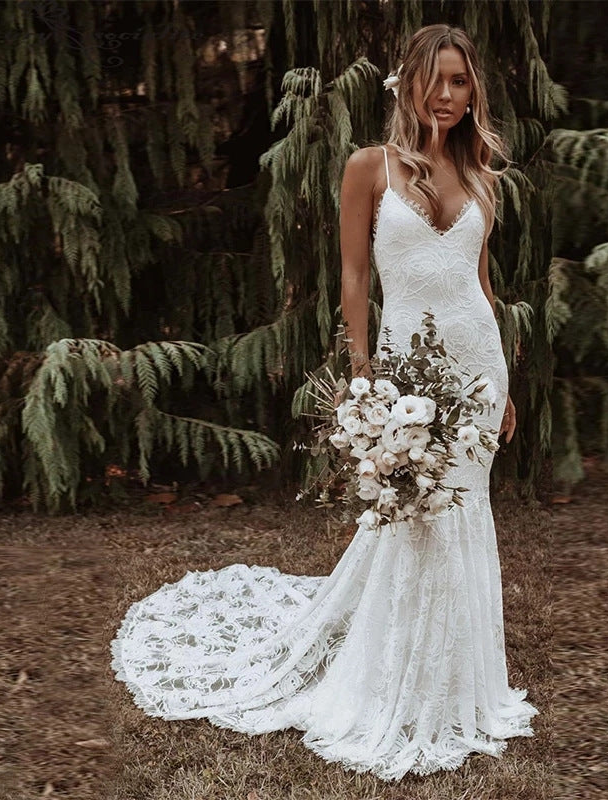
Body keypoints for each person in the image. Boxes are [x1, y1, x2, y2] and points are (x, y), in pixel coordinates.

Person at [111, 23, 538, 782]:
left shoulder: (483, 179)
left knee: (463, 510)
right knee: (410, 516)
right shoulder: (368, 168)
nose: (447, 96)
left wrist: (502, 382)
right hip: (405, 370)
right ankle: (393, 681)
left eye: (461, 83)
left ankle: (458, 688)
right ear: (407, 83)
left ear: (475, 93)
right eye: (435, 80)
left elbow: (481, 287)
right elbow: (352, 280)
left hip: (477, 368)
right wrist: (365, 372)